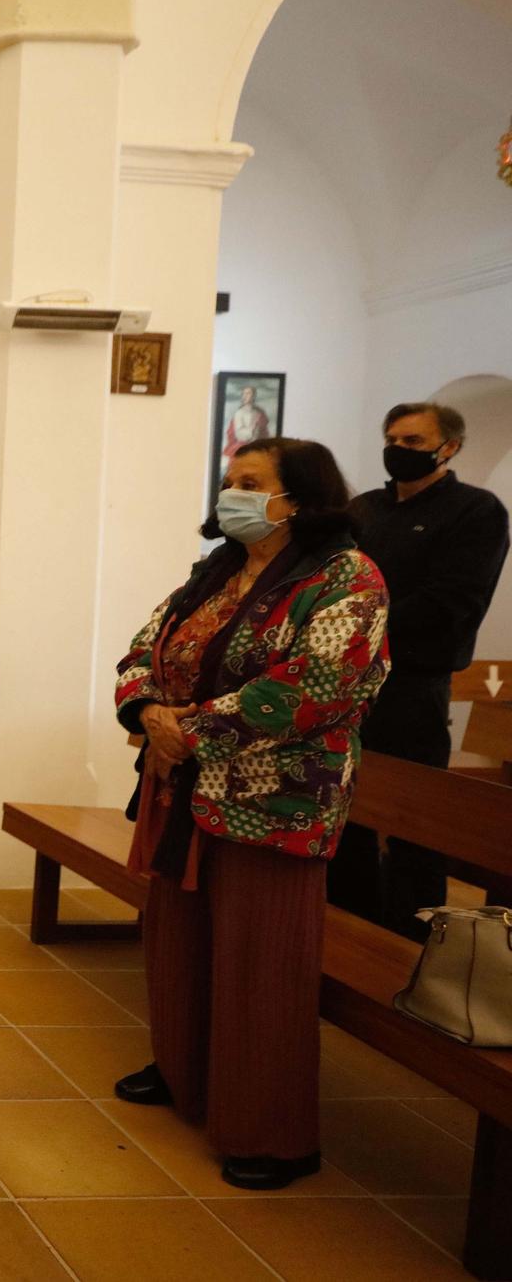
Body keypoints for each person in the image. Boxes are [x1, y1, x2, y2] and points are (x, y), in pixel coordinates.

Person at [112, 437, 388, 1192]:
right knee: (179, 935)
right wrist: (144, 707)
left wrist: (186, 727)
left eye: (251, 482)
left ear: (297, 497)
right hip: (183, 788)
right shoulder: (219, 571)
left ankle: (272, 1132)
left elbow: (316, 686)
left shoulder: (346, 579)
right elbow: (143, 647)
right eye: (230, 480)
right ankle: (184, 1072)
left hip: (276, 798)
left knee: (261, 959)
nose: (232, 492)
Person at [330, 402, 509, 939]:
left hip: (412, 686)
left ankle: (412, 945)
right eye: (393, 439)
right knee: (346, 816)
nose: (398, 450)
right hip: (349, 683)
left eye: (412, 441)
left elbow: (452, 600)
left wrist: (356, 626)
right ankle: (348, 936)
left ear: (449, 447)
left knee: (413, 823)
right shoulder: (363, 509)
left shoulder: (476, 511)